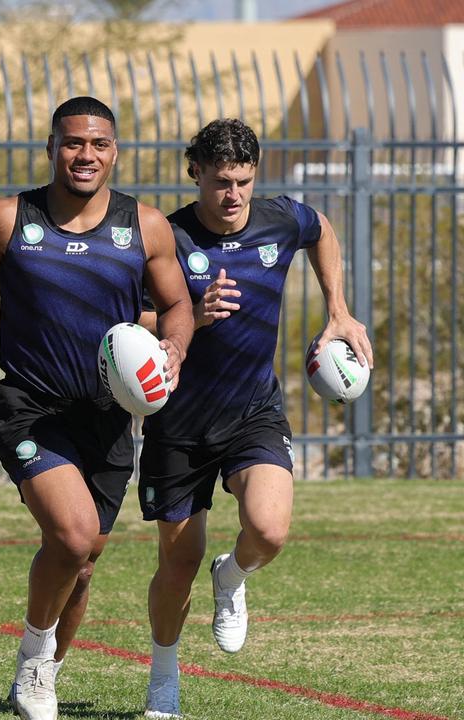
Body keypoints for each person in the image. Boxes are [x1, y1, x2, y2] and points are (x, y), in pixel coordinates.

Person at [0, 96, 193, 720]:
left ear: (114, 152)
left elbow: (178, 305)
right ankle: (33, 661)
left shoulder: (146, 227)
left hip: (107, 417)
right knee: (73, 535)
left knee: (83, 563)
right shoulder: (7, 219)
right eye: (73, 142)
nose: (85, 155)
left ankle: (45, 669)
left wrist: (174, 351)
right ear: (51, 148)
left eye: (98, 144)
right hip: (29, 407)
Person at [135, 118, 372, 719]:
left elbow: (321, 230)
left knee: (268, 530)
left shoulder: (278, 218)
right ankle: (164, 680)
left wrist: (338, 311)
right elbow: (130, 320)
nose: (233, 195)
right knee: (177, 565)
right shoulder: (167, 236)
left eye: (243, 181)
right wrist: (186, 317)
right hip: (178, 422)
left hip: (251, 411)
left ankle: (233, 576)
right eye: (220, 182)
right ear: (196, 175)